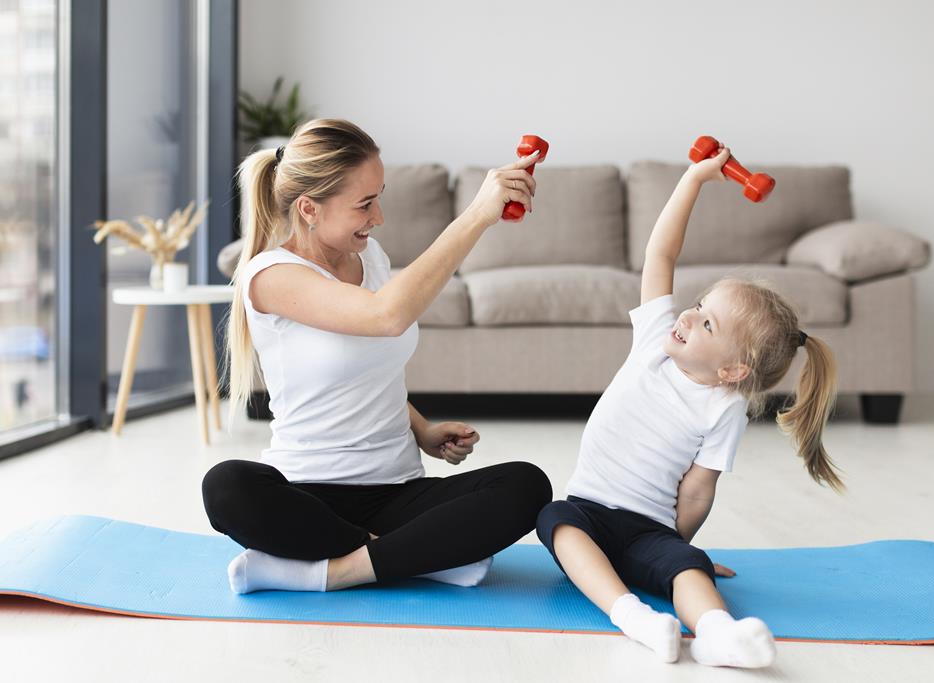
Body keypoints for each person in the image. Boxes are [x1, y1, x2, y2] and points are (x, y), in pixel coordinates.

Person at [202, 119, 552, 594]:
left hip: (397, 490)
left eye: (378, 196)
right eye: (365, 204)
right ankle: (416, 556)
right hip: (310, 495)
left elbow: (368, 370)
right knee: (226, 486)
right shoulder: (271, 276)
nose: (379, 216)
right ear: (309, 208)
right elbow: (385, 317)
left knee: (527, 485)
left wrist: (422, 428)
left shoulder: (371, 256)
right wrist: (476, 216)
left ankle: (331, 569)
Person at [536, 144, 842, 667]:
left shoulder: (724, 408)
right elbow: (661, 255)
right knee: (554, 519)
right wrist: (694, 181)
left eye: (707, 323)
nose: (688, 317)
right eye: (699, 306)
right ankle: (633, 617)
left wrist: (676, 552)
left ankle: (719, 632)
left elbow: (699, 491)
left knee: (688, 570)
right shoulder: (656, 338)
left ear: (733, 371)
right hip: (587, 509)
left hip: (649, 529)